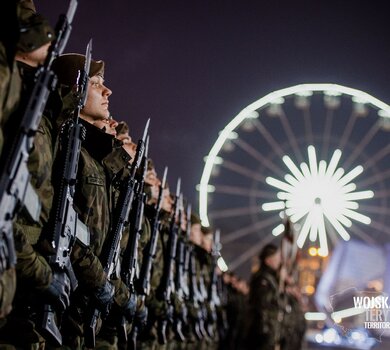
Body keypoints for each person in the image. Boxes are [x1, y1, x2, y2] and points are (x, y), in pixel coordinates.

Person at [245, 243, 284, 350]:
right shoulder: (263, 279)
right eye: (276, 258)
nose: (279, 261)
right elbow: (263, 306)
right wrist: (267, 333)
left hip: (267, 331)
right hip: (263, 333)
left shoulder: (270, 278)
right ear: (268, 260)